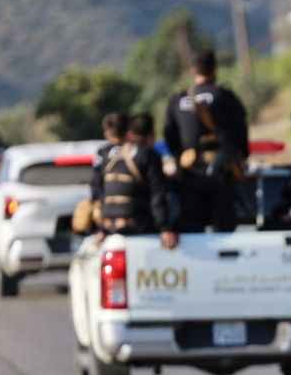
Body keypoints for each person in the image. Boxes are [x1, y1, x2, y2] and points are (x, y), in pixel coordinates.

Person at [163, 51, 249, 232]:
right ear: (215, 69)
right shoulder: (225, 97)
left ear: (193, 70)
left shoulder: (178, 99)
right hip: (221, 173)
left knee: (192, 228)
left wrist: (180, 158)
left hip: (189, 175)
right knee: (224, 230)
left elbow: (169, 136)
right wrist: (240, 156)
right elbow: (240, 134)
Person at [98, 113, 179, 250]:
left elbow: (101, 190)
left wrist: (101, 228)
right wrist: (165, 228)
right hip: (135, 225)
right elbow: (157, 193)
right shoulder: (148, 154)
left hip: (107, 225)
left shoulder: (107, 153)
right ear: (151, 135)